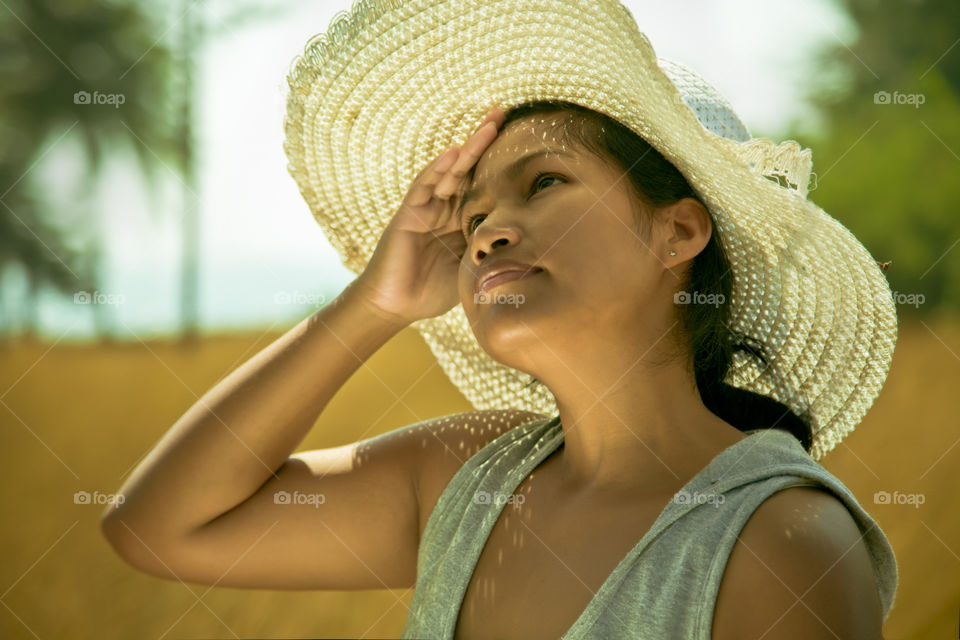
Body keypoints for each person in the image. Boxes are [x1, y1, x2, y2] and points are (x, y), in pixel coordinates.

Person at [101, 1, 899, 638]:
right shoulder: (464, 477)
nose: (488, 230)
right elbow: (155, 528)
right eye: (474, 211)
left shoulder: (781, 541)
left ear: (679, 231)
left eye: (544, 181)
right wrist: (373, 306)